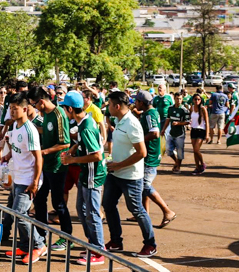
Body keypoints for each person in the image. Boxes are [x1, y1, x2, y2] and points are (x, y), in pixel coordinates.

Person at [101, 91, 156, 258]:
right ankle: (116, 241)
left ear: (117, 106)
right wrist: (112, 162)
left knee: (136, 209)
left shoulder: (132, 123)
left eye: (110, 105)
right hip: (115, 173)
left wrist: (119, 165)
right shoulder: (119, 120)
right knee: (108, 205)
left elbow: (142, 153)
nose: (107, 108)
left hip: (131, 176)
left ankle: (150, 244)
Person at [59, 91, 106, 266]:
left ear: (70, 109)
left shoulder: (85, 127)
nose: (64, 111)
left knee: (92, 213)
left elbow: (97, 155)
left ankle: (98, 251)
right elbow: (82, 142)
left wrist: (72, 160)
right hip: (87, 173)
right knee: (81, 208)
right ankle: (93, 244)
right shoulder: (85, 121)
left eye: (64, 108)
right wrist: (73, 150)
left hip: (93, 174)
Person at [0, 94, 46, 264]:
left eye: (15, 108)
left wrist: (35, 182)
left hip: (27, 180)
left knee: (19, 214)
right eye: (10, 108)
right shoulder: (15, 126)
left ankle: (39, 245)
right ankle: (25, 247)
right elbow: (18, 147)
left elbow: (38, 158)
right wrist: (8, 156)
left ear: (25, 109)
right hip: (17, 177)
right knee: (14, 213)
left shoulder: (29, 130)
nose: (11, 111)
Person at [28, 87, 72, 252]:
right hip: (45, 165)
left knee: (58, 203)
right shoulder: (45, 114)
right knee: (39, 199)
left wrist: (44, 152)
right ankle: (41, 237)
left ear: (41, 101)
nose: (34, 108)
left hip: (57, 166)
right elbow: (45, 131)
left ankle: (67, 237)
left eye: (34, 104)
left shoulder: (59, 114)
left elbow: (65, 143)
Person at [132, 91, 176, 228]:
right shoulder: (150, 113)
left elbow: (155, 133)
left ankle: (167, 211)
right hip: (148, 154)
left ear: (141, 103)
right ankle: (143, 213)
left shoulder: (149, 114)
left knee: (145, 185)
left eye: (136, 101)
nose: (135, 103)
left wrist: (139, 141)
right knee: (143, 185)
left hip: (150, 155)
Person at [161, 97, 189, 173]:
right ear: (174, 99)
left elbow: (187, 122)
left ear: (182, 99)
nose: (178, 100)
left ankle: (178, 167)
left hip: (180, 134)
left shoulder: (184, 110)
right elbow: (168, 119)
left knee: (180, 151)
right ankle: (176, 161)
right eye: (177, 99)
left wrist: (178, 123)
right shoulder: (170, 108)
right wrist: (163, 129)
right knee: (168, 149)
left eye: (180, 99)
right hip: (171, 132)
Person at [189, 93, 210, 176]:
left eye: (198, 99)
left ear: (201, 100)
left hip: (201, 130)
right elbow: (189, 118)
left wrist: (207, 134)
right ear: (193, 100)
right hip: (193, 130)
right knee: (194, 151)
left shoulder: (203, 109)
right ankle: (197, 167)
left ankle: (202, 164)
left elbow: (207, 122)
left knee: (196, 149)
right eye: (195, 99)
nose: (197, 101)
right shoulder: (192, 108)